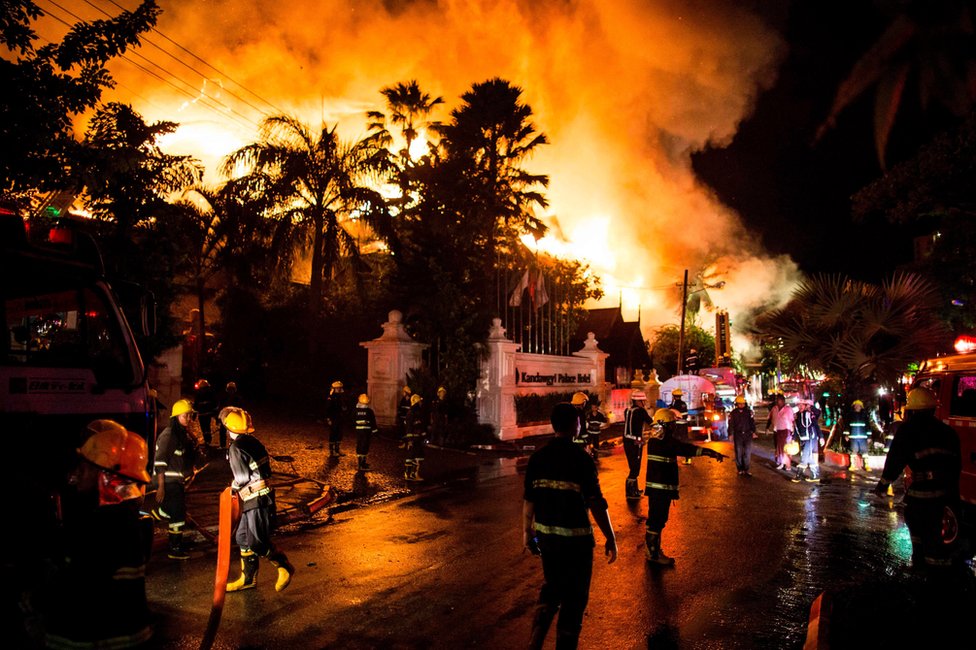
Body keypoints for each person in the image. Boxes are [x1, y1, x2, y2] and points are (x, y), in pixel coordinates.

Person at [33, 420, 154, 648]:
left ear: (106, 476)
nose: (78, 472)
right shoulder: (123, 518)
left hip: (95, 640)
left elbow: (74, 589)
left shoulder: (103, 527)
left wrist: (35, 601)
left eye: (86, 467)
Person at [522, 402, 617, 650]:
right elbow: (596, 502)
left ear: (554, 425)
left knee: (552, 587)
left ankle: (537, 634)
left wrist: (526, 533)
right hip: (577, 543)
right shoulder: (581, 459)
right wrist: (610, 537)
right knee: (574, 600)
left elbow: (529, 500)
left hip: (547, 539)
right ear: (576, 425)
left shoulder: (537, 458)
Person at [874, 388, 962, 572]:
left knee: (920, 532)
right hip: (944, 494)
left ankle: (924, 575)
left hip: (920, 495)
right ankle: (940, 577)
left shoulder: (908, 431)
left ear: (911, 409)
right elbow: (956, 466)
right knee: (937, 535)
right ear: (933, 409)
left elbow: (895, 460)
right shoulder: (948, 432)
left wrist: (883, 485)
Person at [221, 407, 295, 592]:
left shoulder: (236, 448)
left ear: (228, 428)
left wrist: (232, 489)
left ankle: (283, 565)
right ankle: (248, 579)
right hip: (258, 497)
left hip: (256, 499)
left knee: (256, 541)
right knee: (242, 537)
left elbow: (242, 478)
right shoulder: (253, 441)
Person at [644, 408, 726, 565]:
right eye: (672, 424)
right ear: (665, 425)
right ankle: (653, 554)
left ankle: (653, 550)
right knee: (656, 520)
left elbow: (681, 447)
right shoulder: (663, 442)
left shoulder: (657, 441)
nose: (674, 427)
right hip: (660, 490)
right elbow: (685, 448)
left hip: (660, 490)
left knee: (658, 520)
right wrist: (709, 453)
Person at [152, 398, 199, 560]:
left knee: (173, 511)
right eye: (185, 416)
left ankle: (153, 516)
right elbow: (160, 460)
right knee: (178, 515)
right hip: (167, 482)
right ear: (176, 417)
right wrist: (161, 487)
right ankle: (174, 548)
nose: (188, 419)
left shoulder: (179, 434)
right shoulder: (169, 435)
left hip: (175, 481)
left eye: (189, 416)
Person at [623, 390, 652, 499]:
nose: (644, 403)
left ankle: (634, 489)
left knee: (633, 466)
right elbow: (650, 422)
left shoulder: (628, 410)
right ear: (639, 401)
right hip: (636, 441)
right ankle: (630, 492)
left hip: (627, 441)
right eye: (643, 401)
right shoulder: (641, 411)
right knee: (635, 467)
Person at [840, 399, 880, 471]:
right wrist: (846, 435)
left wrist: (869, 437)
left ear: (861, 407)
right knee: (853, 451)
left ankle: (867, 465)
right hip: (853, 437)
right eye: (856, 405)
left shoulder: (864, 416)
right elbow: (847, 426)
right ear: (854, 406)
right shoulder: (850, 415)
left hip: (863, 437)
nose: (857, 406)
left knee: (865, 452)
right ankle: (852, 465)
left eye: (859, 405)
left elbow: (868, 426)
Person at [793, 399, 824, 482]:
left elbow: (816, 425)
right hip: (803, 439)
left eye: (802, 405)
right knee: (809, 457)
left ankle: (798, 475)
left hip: (810, 438)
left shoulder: (809, 414)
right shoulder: (797, 416)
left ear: (805, 406)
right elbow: (796, 429)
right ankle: (816, 475)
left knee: (804, 457)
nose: (800, 407)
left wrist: (821, 437)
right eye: (799, 405)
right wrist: (793, 439)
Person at [765, 393, 795, 471]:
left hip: (786, 430)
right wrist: (767, 428)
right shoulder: (774, 408)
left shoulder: (788, 409)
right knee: (778, 448)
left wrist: (793, 431)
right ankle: (780, 462)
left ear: (783, 401)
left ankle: (787, 465)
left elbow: (793, 420)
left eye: (779, 400)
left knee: (786, 448)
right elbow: (770, 418)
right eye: (776, 400)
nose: (777, 402)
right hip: (777, 430)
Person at [728, 395, 757, 476]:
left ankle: (746, 469)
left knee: (747, 453)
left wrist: (754, 432)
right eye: (739, 404)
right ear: (736, 404)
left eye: (743, 404)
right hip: (738, 435)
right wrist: (730, 434)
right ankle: (740, 469)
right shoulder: (733, 413)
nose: (741, 405)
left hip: (748, 435)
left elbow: (752, 423)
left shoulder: (748, 412)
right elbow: (731, 424)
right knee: (738, 452)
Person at [404, 393, 427, 481]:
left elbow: (421, 425)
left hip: (417, 438)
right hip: (414, 439)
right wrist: (410, 440)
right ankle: (410, 474)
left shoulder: (418, 412)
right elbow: (409, 427)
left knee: (418, 456)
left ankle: (413, 474)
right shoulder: (412, 413)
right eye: (420, 401)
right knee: (411, 455)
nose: (421, 403)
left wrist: (423, 434)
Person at [353, 393, 378, 471]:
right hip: (366, 432)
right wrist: (375, 432)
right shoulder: (369, 411)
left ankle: (360, 463)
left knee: (359, 445)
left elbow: (352, 420)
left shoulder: (356, 411)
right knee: (365, 446)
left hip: (358, 431)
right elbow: (373, 422)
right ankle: (362, 465)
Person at [216, 381, 243, 449]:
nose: (231, 391)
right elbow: (220, 408)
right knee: (222, 432)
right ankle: (223, 446)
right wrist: (218, 419)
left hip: (233, 419)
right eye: (230, 389)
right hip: (225, 418)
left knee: (234, 433)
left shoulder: (237, 398)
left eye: (232, 389)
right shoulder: (223, 398)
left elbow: (240, 409)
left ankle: (233, 446)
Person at [325, 380, 348, 457]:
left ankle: (337, 449)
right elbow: (327, 409)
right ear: (333, 389)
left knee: (339, 433)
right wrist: (328, 419)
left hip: (340, 418)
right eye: (337, 388)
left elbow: (344, 405)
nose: (339, 389)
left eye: (340, 388)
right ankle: (332, 451)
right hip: (333, 418)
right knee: (333, 434)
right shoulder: (330, 397)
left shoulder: (341, 396)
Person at [193, 378, 219, 447]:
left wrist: (194, 415)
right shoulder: (210, 394)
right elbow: (215, 404)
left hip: (202, 415)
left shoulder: (198, 394)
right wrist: (215, 415)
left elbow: (195, 405)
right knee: (207, 428)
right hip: (208, 414)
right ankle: (208, 441)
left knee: (204, 428)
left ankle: (207, 441)